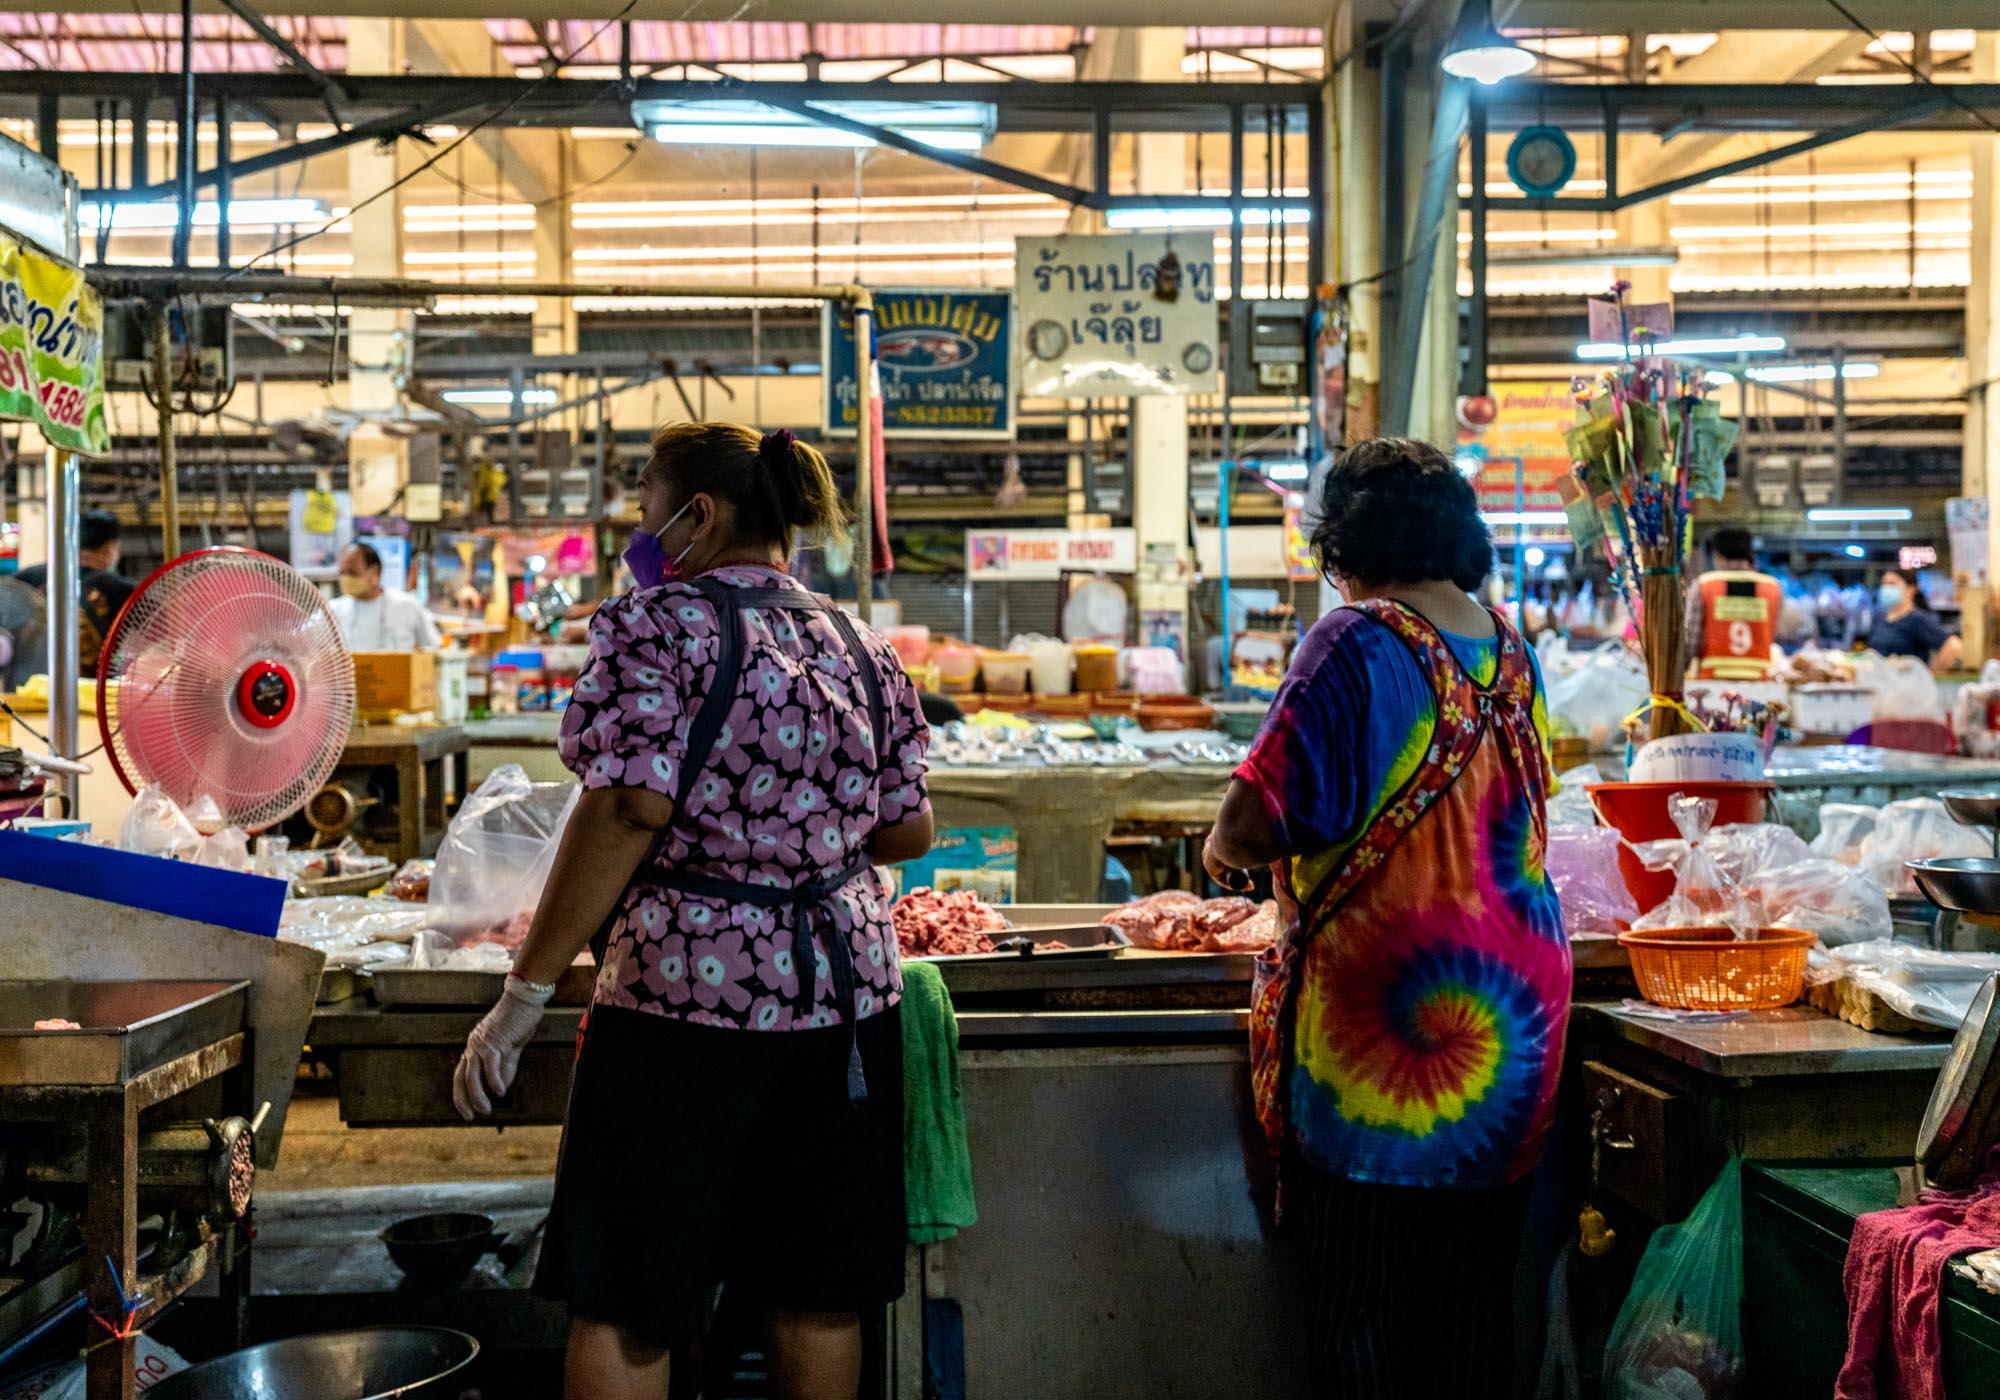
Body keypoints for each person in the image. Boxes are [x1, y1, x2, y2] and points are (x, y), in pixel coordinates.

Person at [451, 422, 934, 1400]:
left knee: (631, 1290)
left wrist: (523, 992)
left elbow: (629, 805)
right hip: (842, 1007)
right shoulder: (858, 643)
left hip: (683, 1008)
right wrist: (795, 831)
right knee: (813, 1287)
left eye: (644, 510)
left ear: (698, 515)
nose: (641, 536)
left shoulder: (658, 624)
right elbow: (905, 827)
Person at [1202, 437, 1569, 1400]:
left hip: (1390, 1039)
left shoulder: (1356, 638)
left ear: (1345, 542)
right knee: (1472, 1320)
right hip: (1516, 1030)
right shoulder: (1509, 645)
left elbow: (1255, 818)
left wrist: (1223, 853)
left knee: (1361, 1317)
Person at [17, 510, 135, 671]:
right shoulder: (123, 590)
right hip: (93, 692)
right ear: (110, 548)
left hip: (28, 688)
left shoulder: (26, 579)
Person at [1685, 526, 1782, 681]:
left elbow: (1691, 641)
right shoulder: (1772, 587)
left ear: (1718, 556)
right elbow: (1775, 632)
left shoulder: (1705, 584)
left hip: (1713, 678)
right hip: (1760, 678)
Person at [329, 541, 441, 651]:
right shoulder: (332, 611)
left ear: (375, 572)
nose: (345, 579)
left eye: (352, 572)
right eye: (342, 573)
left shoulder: (406, 605)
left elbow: (433, 648)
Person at [1869, 566, 1962, 671]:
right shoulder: (1879, 617)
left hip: (1907, 684)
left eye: (1892, 584)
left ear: (1911, 589)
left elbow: (1953, 645)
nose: (1886, 588)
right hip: (1881, 682)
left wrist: (1931, 674)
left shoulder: (1917, 619)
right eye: (1884, 584)